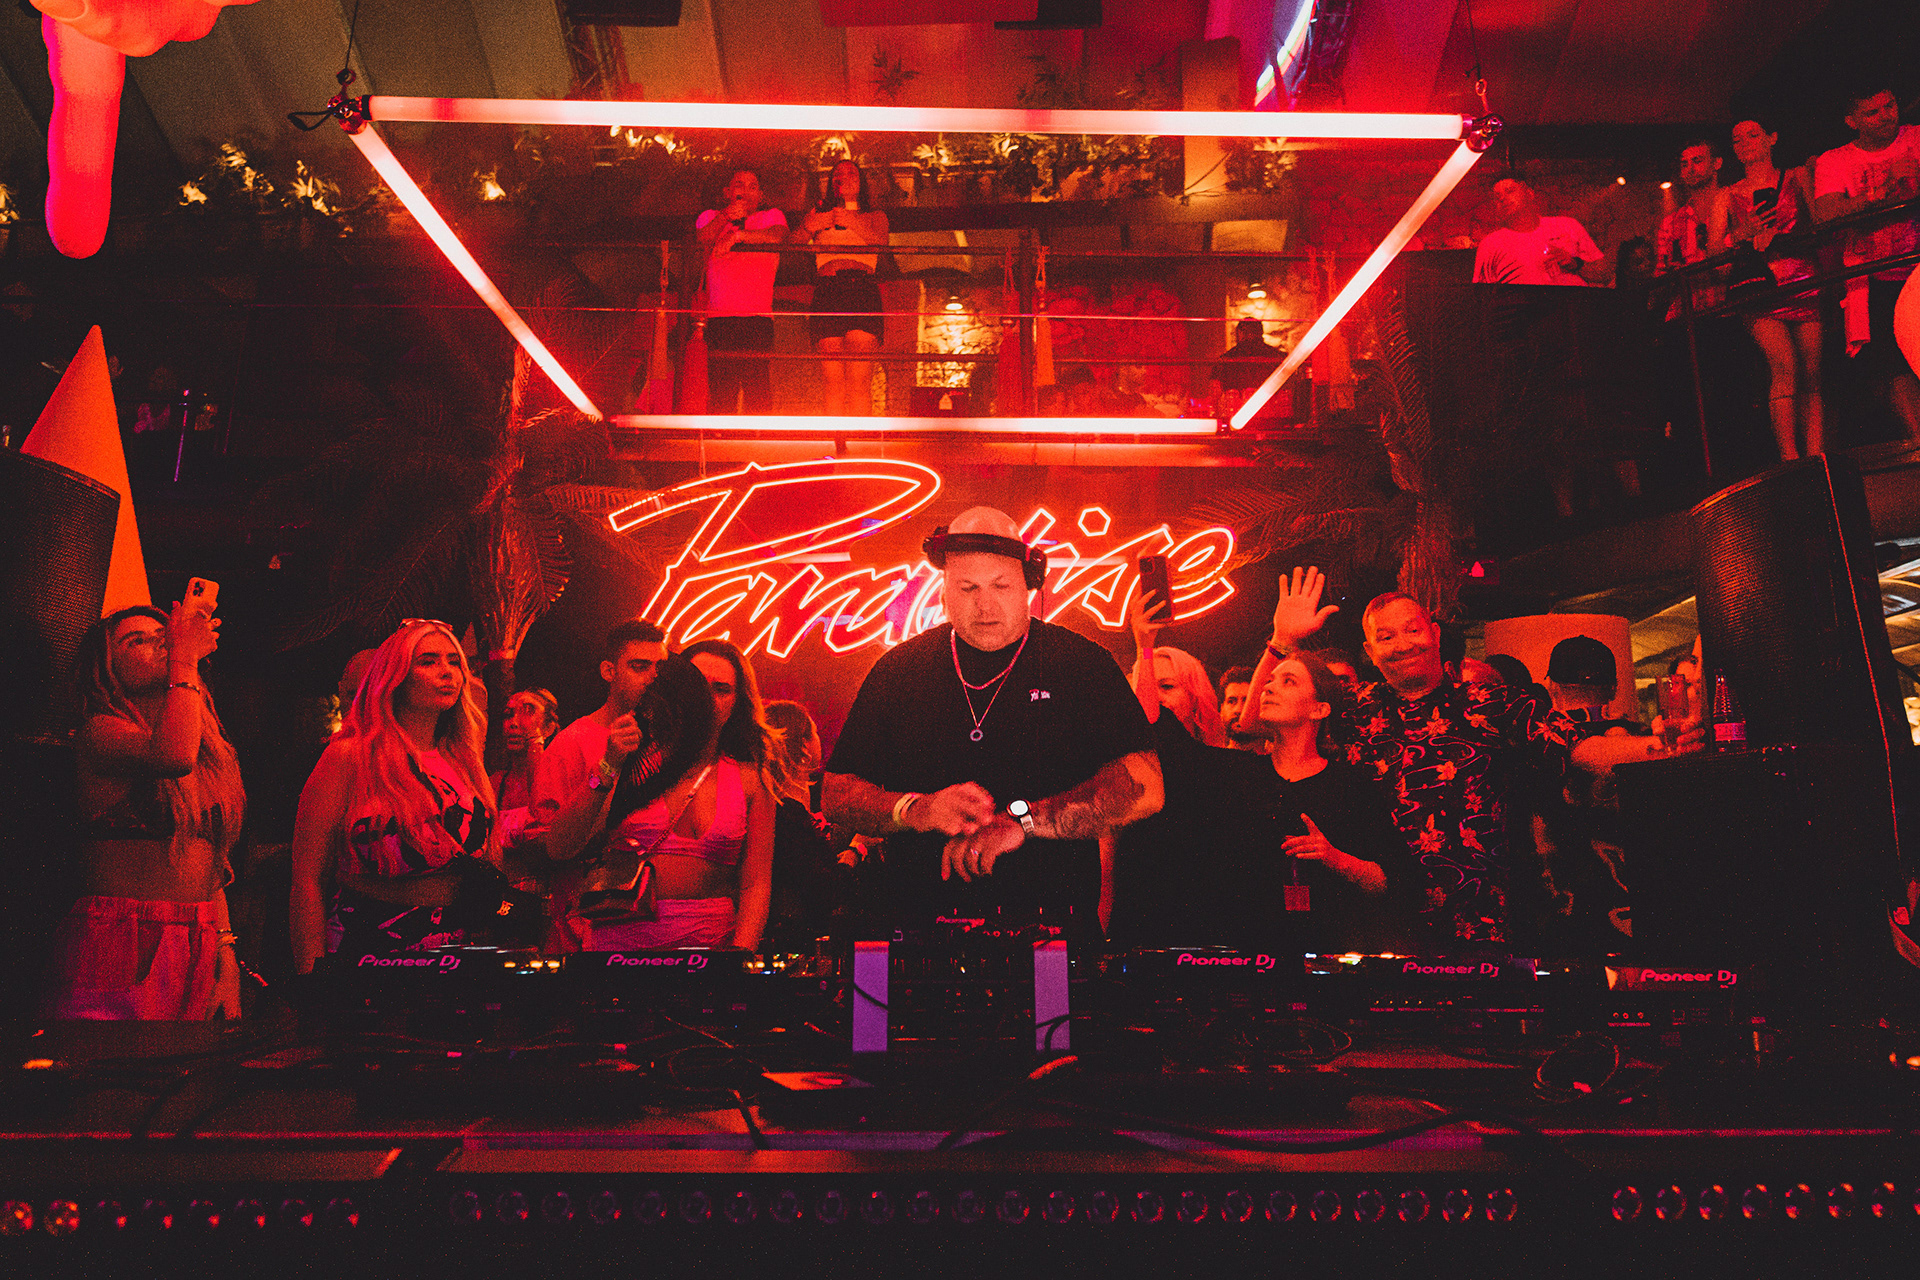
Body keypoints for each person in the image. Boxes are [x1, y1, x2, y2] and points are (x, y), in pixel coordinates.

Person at [823, 507, 1163, 935]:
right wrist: (915, 809)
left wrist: (1023, 822)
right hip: (918, 929)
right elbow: (835, 793)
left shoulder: (1082, 665)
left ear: (1028, 586)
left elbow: (1146, 786)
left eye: (1001, 586)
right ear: (943, 591)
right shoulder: (899, 670)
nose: (985, 605)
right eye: (968, 588)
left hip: (1050, 932)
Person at [1236, 570, 1616, 946]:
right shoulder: (1355, 707)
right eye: (1386, 637)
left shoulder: (1492, 704)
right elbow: (1251, 724)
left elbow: (1581, 747)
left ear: (1434, 633)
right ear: (1370, 651)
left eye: (1412, 630)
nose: (1402, 645)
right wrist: (1282, 641)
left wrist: (1652, 747)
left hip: (1478, 924)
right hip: (1377, 924)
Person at [48, 602, 246, 1019]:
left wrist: (225, 951)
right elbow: (173, 756)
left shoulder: (205, 750)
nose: (162, 644)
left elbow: (208, 861)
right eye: (137, 640)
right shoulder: (100, 731)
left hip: (198, 934)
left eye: (163, 635)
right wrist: (185, 659)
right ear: (106, 669)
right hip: (122, 936)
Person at [290, 620, 498, 972]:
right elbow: (308, 878)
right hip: (368, 955)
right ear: (394, 676)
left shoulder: (464, 759)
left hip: (459, 957)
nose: (447, 671)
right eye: (428, 661)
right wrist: (310, 977)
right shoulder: (350, 756)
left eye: (454, 661)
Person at [546, 655, 774, 951]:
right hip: (617, 950)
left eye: (721, 689)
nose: (706, 699)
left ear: (737, 703)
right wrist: (607, 766)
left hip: (712, 953)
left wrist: (740, 956)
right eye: (697, 685)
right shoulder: (629, 761)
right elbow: (559, 847)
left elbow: (755, 884)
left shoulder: (750, 779)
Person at [1242, 648, 1420, 952]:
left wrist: (1334, 857)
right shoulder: (1243, 777)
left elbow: (1398, 883)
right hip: (1253, 951)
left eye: (1288, 681)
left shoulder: (1350, 786)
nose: (1269, 688)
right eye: (1269, 681)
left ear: (1320, 709)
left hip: (1331, 952)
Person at [1104, 587, 1237, 940]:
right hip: (1140, 922)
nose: (1157, 697)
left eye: (1167, 686)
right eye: (1148, 687)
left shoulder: (1226, 768)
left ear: (1195, 697)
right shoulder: (1128, 769)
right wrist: (1143, 647)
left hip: (1212, 926)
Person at [532, 618, 668, 951]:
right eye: (639, 667)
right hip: (589, 927)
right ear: (609, 671)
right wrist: (609, 765)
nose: (652, 678)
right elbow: (554, 848)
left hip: (662, 927)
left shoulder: (672, 743)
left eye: (659, 669)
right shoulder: (570, 743)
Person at [1814, 85, 1920, 439]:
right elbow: (1827, 214)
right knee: (1891, 364)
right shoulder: (1835, 160)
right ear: (1851, 121)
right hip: (1874, 276)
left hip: (1917, 267)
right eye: (1872, 113)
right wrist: (1883, 189)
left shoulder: (1915, 138)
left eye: (1889, 105)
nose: (1885, 116)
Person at [1727, 118, 1825, 460]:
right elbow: (1714, 249)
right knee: (1783, 365)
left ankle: (1816, 455)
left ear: (1772, 138)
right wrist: (1742, 234)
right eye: (1737, 139)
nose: (1745, 143)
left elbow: (1818, 222)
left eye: (1752, 135)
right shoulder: (1728, 194)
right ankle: (1790, 457)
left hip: (1802, 276)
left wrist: (1783, 235)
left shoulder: (1796, 176)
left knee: (1811, 372)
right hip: (1760, 285)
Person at [762, 699, 855, 948]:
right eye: (814, 732)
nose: (819, 740)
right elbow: (824, 891)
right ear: (803, 745)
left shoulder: (781, 807)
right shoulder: (787, 815)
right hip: (797, 944)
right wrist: (857, 850)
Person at [697, 169, 788, 414]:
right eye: (739, 185)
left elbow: (778, 236)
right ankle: (719, 437)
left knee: (758, 391)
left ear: (760, 194)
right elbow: (703, 238)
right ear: (727, 192)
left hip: (757, 318)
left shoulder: (771, 216)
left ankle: (757, 437)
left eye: (752, 186)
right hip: (720, 318)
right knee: (721, 393)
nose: (745, 191)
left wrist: (738, 236)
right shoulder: (710, 216)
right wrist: (726, 216)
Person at [801, 160, 888, 416]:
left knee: (859, 380)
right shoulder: (819, 213)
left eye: (852, 173)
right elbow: (793, 242)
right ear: (831, 183)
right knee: (832, 381)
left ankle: (860, 439)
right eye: (839, 174)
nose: (845, 177)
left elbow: (882, 244)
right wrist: (809, 226)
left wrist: (853, 222)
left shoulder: (874, 215)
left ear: (861, 182)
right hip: (828, 289)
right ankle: (835, 440)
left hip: (861, 288)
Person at [1473, 178, 1603, 286]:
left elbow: (1604, 274)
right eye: (1497, 197)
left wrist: (1574, 263)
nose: (1502, 199)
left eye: (1510, 191)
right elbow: (1482, 296)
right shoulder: (1490, 244)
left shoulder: (1567, 225)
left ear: (1530, 194)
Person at [1656, 139, 1731, 317]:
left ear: (1717, 163)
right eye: (1684, 164)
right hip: (1686, 314)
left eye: (1697, 161)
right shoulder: (1670, 223)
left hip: (1731, 307)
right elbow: (1660, 278)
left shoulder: (1734, 204)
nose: (1690, 169)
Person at [492, 687, 558, 848]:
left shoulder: (559, 778)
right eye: (508, 715)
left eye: (528, 712)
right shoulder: (495, 783)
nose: (513, 723)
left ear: (548, 728)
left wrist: (535, 744)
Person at [1208, 319, 1282, 415]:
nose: (1249, 335)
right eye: (1246, 332)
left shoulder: (1227, 359)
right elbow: (1215, 391)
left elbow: (1214, 392)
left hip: (1238, 413)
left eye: (1250, 332)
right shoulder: (1276, 357)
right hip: (1265, 413)